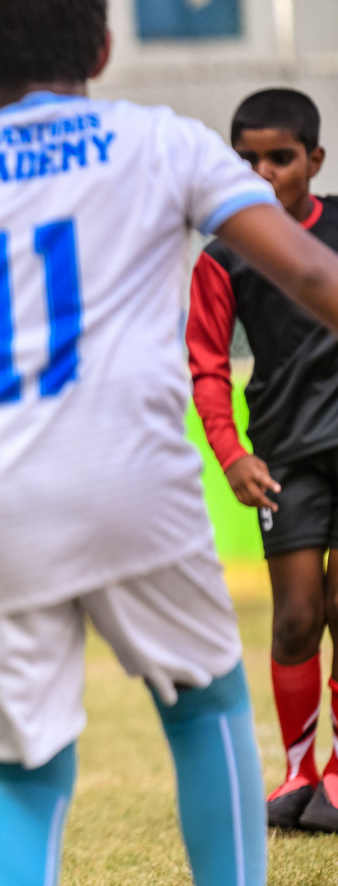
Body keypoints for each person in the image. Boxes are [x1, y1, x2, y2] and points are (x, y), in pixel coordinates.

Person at [0, 1, 338, 886]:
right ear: (102, 47)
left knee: (24, 771)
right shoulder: (161, 142)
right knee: (206, 707)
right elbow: (306, 269)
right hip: (131, 477)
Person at [187, 88, 338, 833]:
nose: (262, 171)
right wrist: (231, 452)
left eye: (279, 158)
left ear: (313, 159)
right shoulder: (224, 259)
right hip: (283, 458)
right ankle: (300, 770)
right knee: (297, 617)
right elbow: (208, 366)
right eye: (245, 159)